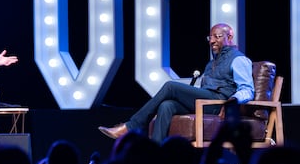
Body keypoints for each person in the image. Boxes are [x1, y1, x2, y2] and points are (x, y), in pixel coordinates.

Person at [98, 23, 255, 143]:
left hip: (219, 103)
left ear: (230, 36)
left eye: (217, 36)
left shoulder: (239, 59)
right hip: (206, 101)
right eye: (210, 37)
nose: (212, 41)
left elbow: (248, 89)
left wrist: (233, 101)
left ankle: (131, 126)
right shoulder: (211, 63)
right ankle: (154, 154)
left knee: (170, 86)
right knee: (167, 105)